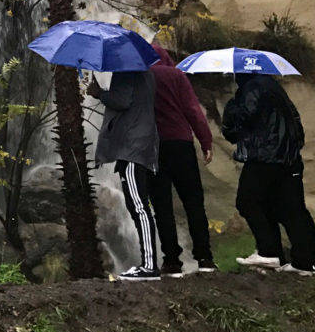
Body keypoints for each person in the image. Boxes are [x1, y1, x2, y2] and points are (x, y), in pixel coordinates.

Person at [223, 72, 315, 275]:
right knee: (291, 210)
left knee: (247, 202)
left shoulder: (252, 88)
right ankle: (304, 262)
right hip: (289, 159)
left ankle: (269, 252)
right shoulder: (275, 89)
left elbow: (240, 122)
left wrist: (231, 106)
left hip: (265, 157)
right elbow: (297, 124)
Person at [147, 44, 216, 277]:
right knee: (193, 202)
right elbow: (192, 110)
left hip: (153, 146)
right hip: (181, 144)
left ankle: (172, 261)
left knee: (162, 205)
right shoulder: (177, 75)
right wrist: (206, 141)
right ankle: (205, 258)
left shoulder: (140, 76)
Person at [88, 69, 159, 281]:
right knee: (137, 205)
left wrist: (98, 93)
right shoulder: (144, 72)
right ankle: (149, 264)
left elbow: (122, 100)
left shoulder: (127, 70)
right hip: (140, 142)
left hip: (132, 146)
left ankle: (149, 266)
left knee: (139, 206)